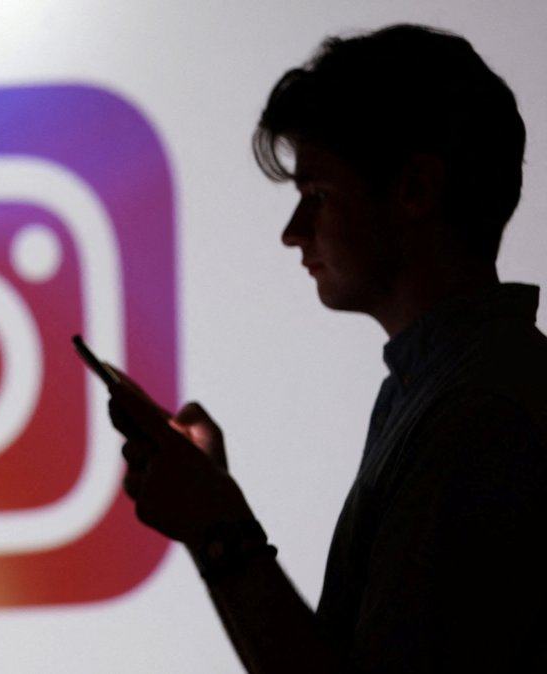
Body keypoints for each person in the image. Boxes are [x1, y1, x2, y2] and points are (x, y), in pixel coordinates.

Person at [107, 24, 547, 673]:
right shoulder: (441, 391)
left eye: (317, 195)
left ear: (415, 190)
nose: (293, 232)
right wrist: (213, 519)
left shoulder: (480, 416)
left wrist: (216, 528)